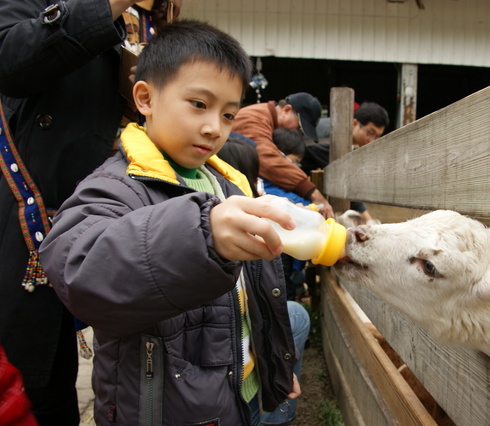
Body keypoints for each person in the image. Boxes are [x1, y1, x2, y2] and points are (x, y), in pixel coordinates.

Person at [40, 20, 303, 426]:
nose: (214, 127)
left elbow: (253, 298)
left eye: (229, 114)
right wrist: (200, 235)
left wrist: (272, 368)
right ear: (145, 98)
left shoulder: (229, 184)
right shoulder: (119, 185)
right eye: (199, 104)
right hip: (168, 409)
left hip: (240, 392)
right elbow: (76, 267)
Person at [0, 1, 180, 424]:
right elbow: (11, 60)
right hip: (29, 217)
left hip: (108, 217)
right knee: (29, 386)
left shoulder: (152, 19)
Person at [216, 134, 310, 425]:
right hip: (228, 380)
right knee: (294, 314)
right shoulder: (242, 229)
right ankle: (277, 414)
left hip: (236, 365)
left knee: (293, 313)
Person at [232, 92, 336, 219]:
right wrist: (314, 193)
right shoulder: (253, 119)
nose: (299, 134)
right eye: (299, 127)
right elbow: (268, 160)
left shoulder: (264, 118)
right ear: (286, 110)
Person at [301, 101, 390, 224]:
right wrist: (368, 220)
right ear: (355, 123)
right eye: (370, 133)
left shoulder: (338, 127)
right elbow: (345, 183)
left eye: (377, 136)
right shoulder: (330, 141)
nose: (372, 141)